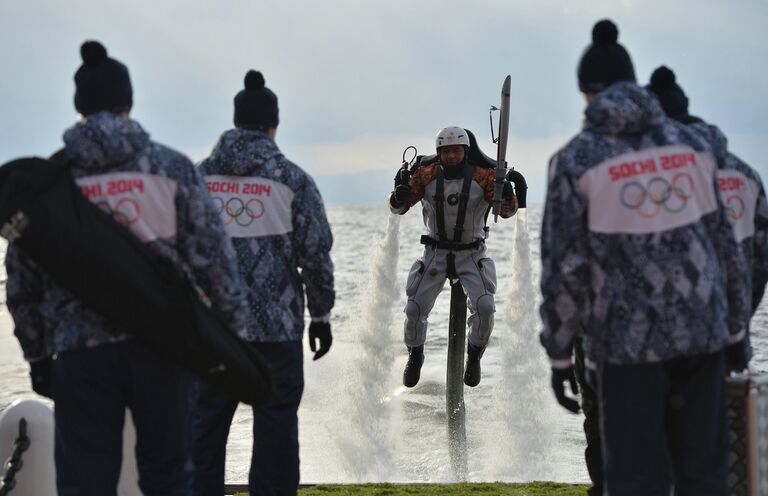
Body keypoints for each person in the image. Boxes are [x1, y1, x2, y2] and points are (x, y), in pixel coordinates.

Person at [4, 41, 247, 495]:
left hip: (81, 356)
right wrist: (229, 339)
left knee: (85, 483)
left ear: (79, 109)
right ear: (128, 104)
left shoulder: (50, 181)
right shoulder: (172, 169)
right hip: (166, 350)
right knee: (170, 478)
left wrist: (38, 357)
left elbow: (21, 283)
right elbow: (216, 263)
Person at [539, 20, 750, 496]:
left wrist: (558, 352)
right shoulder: (692, 146)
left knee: (637, 481)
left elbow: (564, 270)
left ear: (585, 93)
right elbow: (725, 246)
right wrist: (736, 330)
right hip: (702, 335)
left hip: (626, 347)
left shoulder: (577, 160)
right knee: (704, 479)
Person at [191, 70, 335, 496]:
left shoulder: (196, 180)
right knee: (275, 436)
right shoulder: (293, 181)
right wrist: (321, 316)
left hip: (212, 333)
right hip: (277, 333)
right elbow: (316, 257)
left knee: (202, 436)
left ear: (236, 122)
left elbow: (177, 255)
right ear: (273, 124)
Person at [388, 126, 519, 388]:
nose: (450, 156)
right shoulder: (425, 175)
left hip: (471, 253)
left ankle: (474, 355)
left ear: (465, 150)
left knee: (485, 307)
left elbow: (507, 211)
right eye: (445, 152)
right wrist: (397, 197)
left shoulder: (485, 177)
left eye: (456, 151)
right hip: (435, 252)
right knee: (413, 309)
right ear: (439, 153)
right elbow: (398, 208)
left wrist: (507, 197)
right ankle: (415, 355)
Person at [647, 65, 768, 325]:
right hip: (726, 327)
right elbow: (761, 261)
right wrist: (739, 322)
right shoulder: (747, 176)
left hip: (663, 335)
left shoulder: (653, 179)